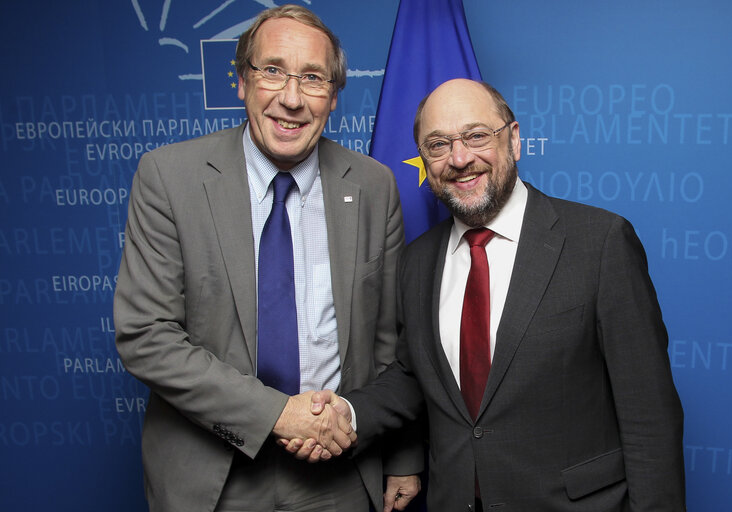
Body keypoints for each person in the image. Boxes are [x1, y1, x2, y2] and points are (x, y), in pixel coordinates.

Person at [299, 79, 686, 511]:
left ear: (515, 140)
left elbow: (649, 417)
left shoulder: (600, 243)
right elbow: (412, 376)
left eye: (477, 136)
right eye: (438, 145)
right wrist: (347, 414)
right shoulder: (418, 261)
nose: (460, 159)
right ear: (424, 160)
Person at [113, 5, 421, 512]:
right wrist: (279, 415)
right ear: (241, 81)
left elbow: (391, 342)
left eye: (313, 78)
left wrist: (403, 455)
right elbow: (146, 336)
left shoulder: (372, 185)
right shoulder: (169, 178)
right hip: (214, 474)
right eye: (273, 71)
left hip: (340, 470)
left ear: (334, 96)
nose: (292, 99)